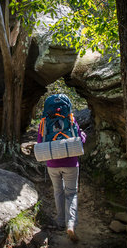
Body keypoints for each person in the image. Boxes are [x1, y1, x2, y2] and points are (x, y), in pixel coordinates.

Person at [37, 94, 87, 242]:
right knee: (71, 193)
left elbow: (40, 141)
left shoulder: (44, 122)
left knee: (58, 191)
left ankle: (60, 222)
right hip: (71, 162)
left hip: (52, 162)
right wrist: (83, 135)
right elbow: (81, 139)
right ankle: (70, 224)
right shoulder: (71, 119)